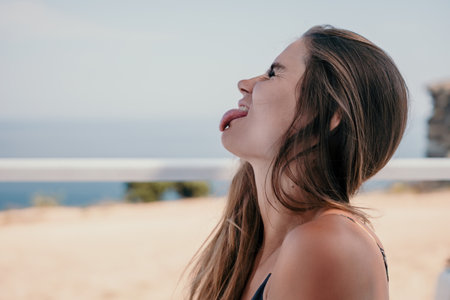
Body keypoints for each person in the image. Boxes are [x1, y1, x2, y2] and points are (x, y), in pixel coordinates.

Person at [188, 25, 408, 300]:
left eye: (273, 74)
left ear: (329, 113)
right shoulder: (257, 244)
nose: (244, 83)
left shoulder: (323, 244)